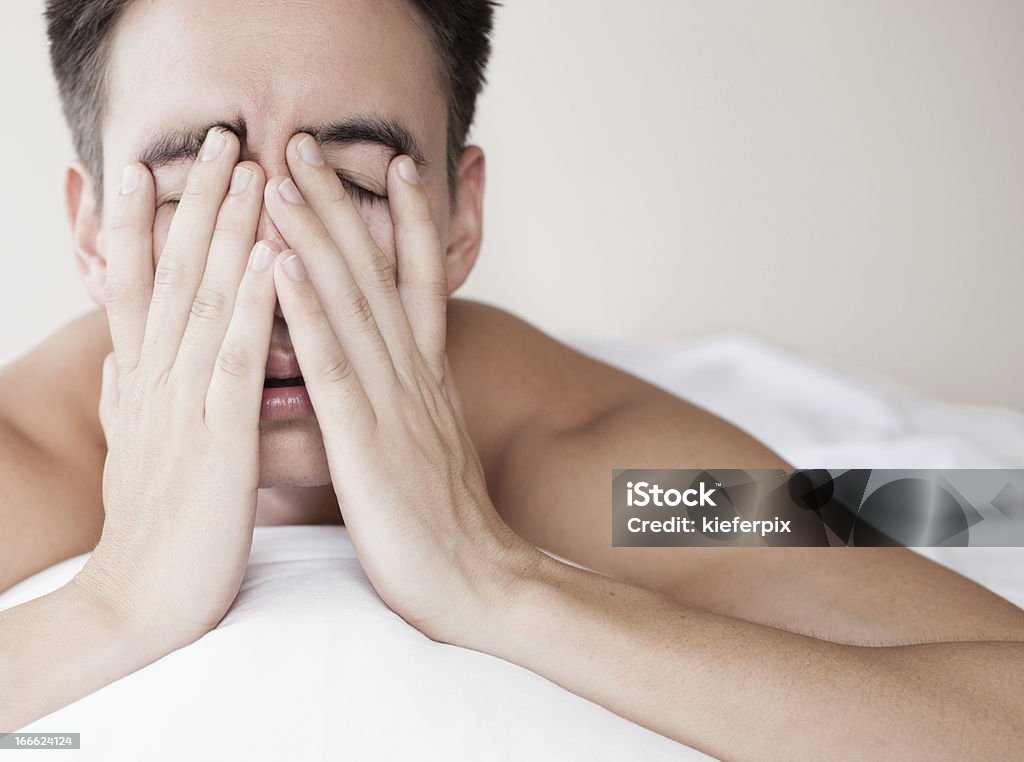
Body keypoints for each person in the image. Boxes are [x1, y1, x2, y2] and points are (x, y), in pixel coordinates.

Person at [0, 0, 1020, 756]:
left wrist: (493, 577)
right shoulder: (25, 460)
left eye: (348, 187)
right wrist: (115, 606)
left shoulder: (588, 455)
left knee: (971, 503)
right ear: (93, 233)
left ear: (458, 220)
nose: (279, 271)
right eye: (197, 195)